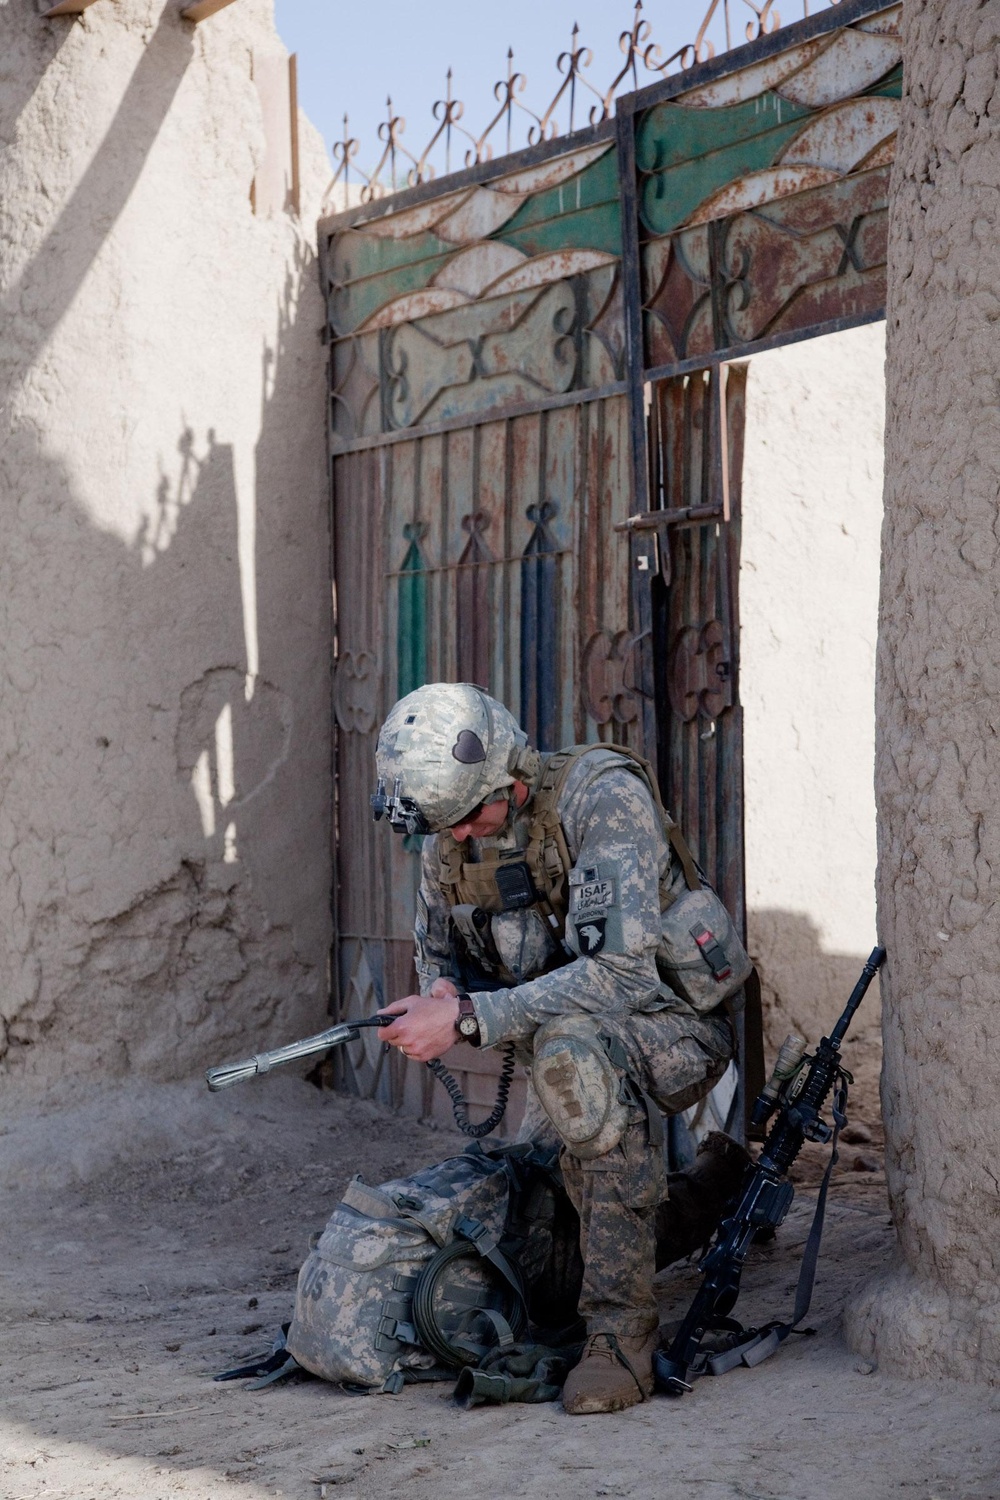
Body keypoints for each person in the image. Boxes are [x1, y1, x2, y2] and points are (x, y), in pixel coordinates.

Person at [371, 683, 738, 1415]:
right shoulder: (455, 832)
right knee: (549, 1244)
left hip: (669, 1023)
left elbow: (620, 974)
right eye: (446, 828)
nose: (460, 838)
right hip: (566, 1034)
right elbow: (439, 953)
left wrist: (472, 1018)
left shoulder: (601, 799)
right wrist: (443, 994)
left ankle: (621, 1339)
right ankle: (713, 1188)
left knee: (574, 1064)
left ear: (509, 776)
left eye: (470, 818)